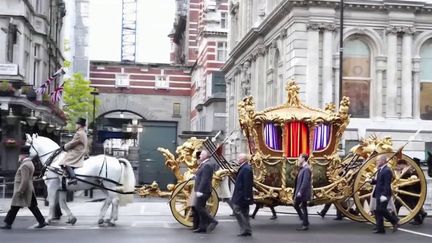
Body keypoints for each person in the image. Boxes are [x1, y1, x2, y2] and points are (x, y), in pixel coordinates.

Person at [0, 145, 47, 229]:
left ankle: (8, 224)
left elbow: (24, 180)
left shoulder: (25, 165)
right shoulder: (30, 163)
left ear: (23, 155)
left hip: (23, 189)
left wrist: (20, 191)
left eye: (19, 155)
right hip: (29, 189)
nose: (19, 156)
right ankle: (42, 221)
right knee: (31, 207)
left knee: (15, 207)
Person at [371, 155, 399, 234]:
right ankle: (380, 229)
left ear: (383, 161)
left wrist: (384, 195)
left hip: (384, 194)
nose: (377, 162)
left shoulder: (387, 170)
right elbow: (379, 181)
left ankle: (395, 221)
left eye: (378, 160)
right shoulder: (381, 170)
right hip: (378, 193)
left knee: (382, 210)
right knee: (378, 211)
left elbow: (387, 184)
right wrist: (371, 181)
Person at [192, 150, 218, 233]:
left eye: (202, 154)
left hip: (203, 191)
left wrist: (200, 191)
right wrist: (195, 177)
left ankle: (213, 221)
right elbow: (201, 176)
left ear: (206, 156)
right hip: (202, 190)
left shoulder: (207, 165)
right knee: (200, 207)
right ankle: (202, 227)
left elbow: (205, 179)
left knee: (198, 207)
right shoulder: (204, 164)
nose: (200, 156)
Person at [59, 117, 88, 185]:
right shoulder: (83, 133)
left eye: (76, 124)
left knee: (66, 162)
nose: (75, 126)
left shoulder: (79, 133)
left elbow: (72, 143)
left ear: (80, 125)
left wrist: (64, 147)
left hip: (77, 152)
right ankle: (67, 174)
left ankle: (73, 178)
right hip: (80, 151)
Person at [231, 153, 254, 237]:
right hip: (241, 195)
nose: (238, 159)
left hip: (242, 195)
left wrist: (247, 196)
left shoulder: (246, 169)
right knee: (244, 213)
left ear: (243, 159)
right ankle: (247, 230)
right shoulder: (243, 167)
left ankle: (244, 229)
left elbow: (247, 184)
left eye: (239, 158)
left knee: (237, 210)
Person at [293, 153, 312, 231]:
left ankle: (305, 223)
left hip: (303, 192)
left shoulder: (306, 169)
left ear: (303, 158)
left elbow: (305, 182)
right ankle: (305, 221)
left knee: (299, 206)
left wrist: (300, 192)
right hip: (301, 191)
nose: (298, 159)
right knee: (302, 206)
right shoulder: (303, 168)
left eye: (299, 157)